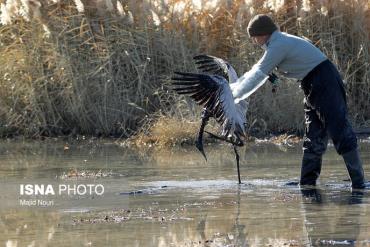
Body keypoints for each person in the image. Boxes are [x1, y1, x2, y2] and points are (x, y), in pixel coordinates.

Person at [230, 14, 366, 189]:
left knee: (338, 130)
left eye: (254, 37)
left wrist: (234, 98)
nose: (254, 42)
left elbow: (258, 76)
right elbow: (255, 70)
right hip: (311, 83)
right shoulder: (277, 43)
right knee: (313, 137)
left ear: (262, 34)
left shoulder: (279, 45)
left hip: (324, 81)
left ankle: (359, 183)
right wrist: (231, 89)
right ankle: (307, 183)